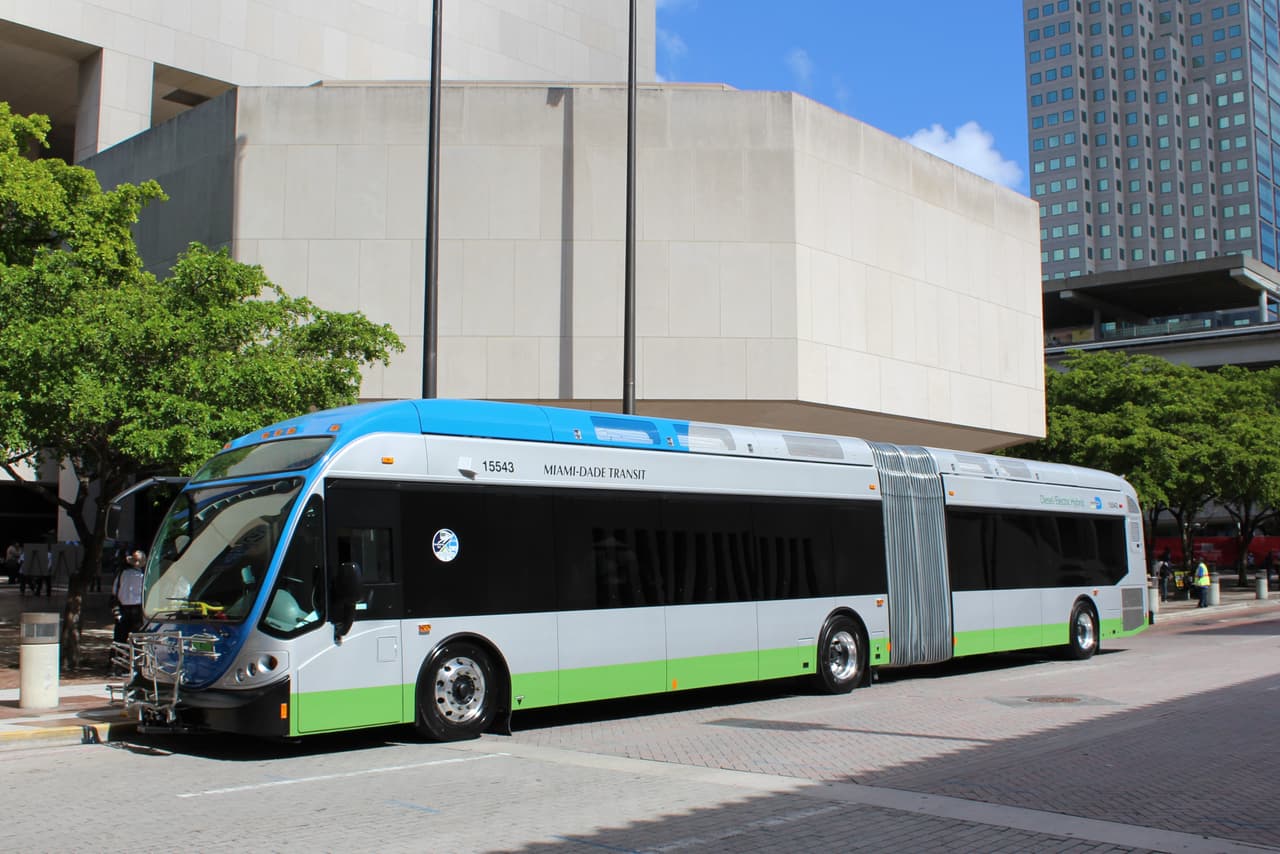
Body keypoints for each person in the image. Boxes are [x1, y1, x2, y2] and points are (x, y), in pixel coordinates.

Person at [112, 549, 145, 645]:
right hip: (138, 607)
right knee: (136, 635)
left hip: (122, 607)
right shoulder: (142, 576)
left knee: (120, 634)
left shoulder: (122, 574)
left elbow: (114, 590)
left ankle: (118, 651)